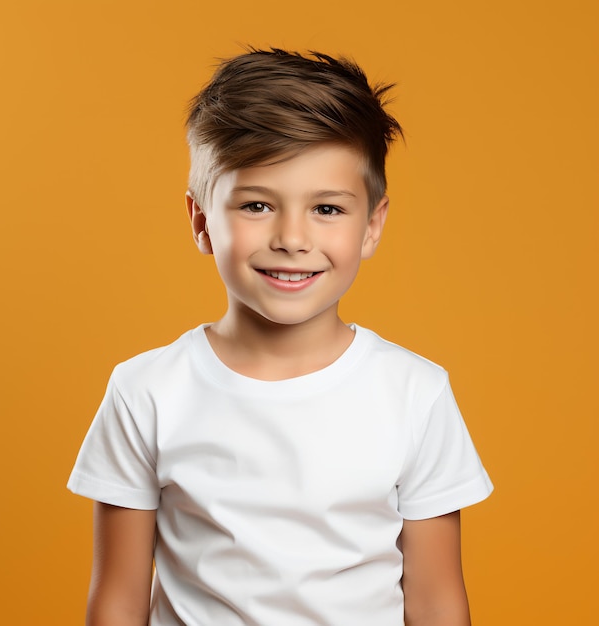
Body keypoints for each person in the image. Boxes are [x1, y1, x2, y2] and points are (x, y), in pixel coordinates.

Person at [68, 48, 493, 626]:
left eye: (326, 208)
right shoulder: (145, 390)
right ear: (201, 222)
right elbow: (117, 602)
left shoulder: (415, 392)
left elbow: (437, 601)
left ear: (371, 226)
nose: (292, 238)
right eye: (257, 205)